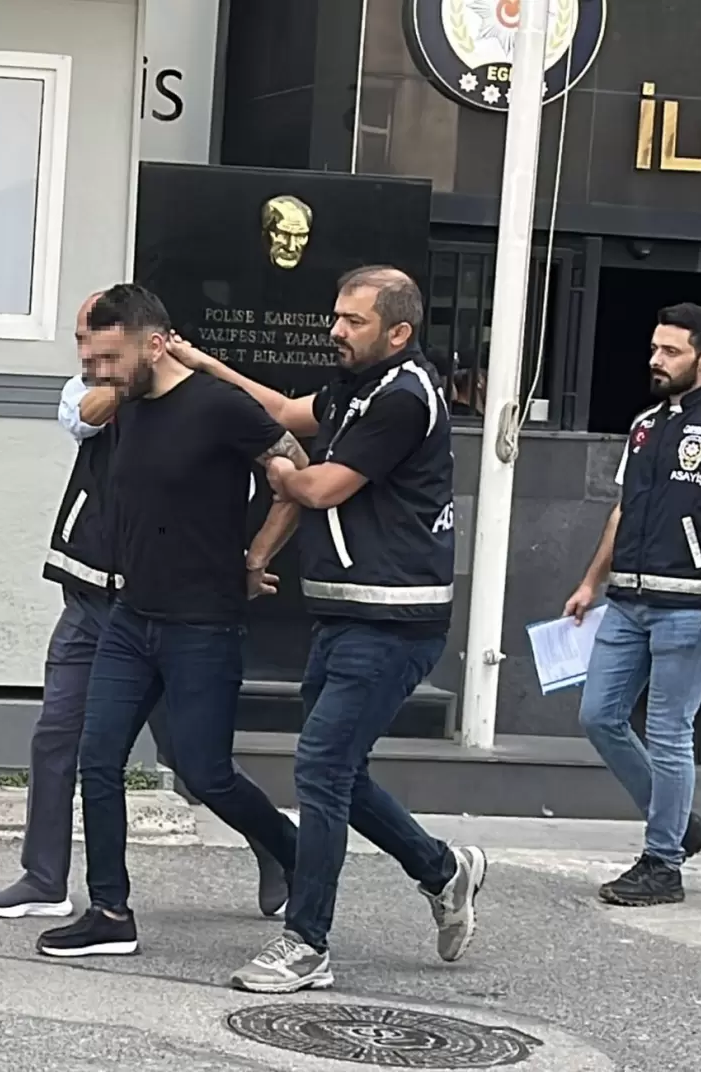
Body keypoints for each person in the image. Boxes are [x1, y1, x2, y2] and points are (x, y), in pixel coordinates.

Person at [168, 266, 486, 994]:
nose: (335, 330)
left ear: (398, 332)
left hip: (394, 620)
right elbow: (283, 408)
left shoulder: (404, 398)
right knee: (339, 770)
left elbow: (319, 486)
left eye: (353, 320)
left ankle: (307, 943)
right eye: (336, 315)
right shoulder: (356, 387)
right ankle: (443, 870)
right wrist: (202, 363)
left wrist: (282, 470)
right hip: (346, 615)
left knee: (319, 768)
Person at [0, 291, 287, 920]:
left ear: (148, 343)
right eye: (81, 343)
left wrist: (251, 557)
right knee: (64, 737)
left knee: (198, 764)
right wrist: (119, 379)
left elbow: (284, 459)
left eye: (102, 347)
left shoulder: (190, 399)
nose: (88, 358)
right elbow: (82, 415)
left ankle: (279, 847)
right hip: (94, 593)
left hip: (175, 607)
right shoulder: (104, 386)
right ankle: (50, 881)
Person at [565, 302, 701, 907]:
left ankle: (662, 863)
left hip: (690, 603)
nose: (657, 359)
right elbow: (623, 509)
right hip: (628, 599)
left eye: (671, 351)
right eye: (655, 348)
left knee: (668, 731)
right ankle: (680, 825)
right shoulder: (646, 425)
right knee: (598, 717)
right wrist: (590, 582)